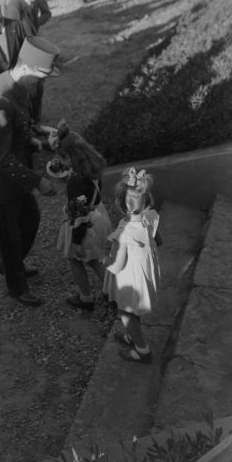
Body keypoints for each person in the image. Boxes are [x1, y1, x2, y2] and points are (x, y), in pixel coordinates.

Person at [0, 36, 60, 307]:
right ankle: (17, 286)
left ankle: (11, 264)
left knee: (30, 220)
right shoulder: (1, 98)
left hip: (16, 176)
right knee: (8, 236)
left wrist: (39, 138)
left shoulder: (20, 86)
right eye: (41, 77)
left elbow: (22, 126)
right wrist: (38, 182)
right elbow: (1, 157)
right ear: (26, 68)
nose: (42, 83)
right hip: (0, 183)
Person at [49, 121, 112, 311]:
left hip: (84, 225)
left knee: (78, 259)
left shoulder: (76, 183)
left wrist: (76, 241)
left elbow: (79, 213)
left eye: (62, 158)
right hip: (98, 215)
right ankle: (112, 291)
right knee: (95, 258)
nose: (60, 162)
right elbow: (87, 198)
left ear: (69, 157)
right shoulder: (91, 171)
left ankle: (87, 297)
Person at [103, 167, 160, 363]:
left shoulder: (125, 231)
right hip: (144, 274)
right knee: (135, 310)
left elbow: (118, 265)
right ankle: (133, 336)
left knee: (125, 312)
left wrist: (106, 263)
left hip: (130, 277)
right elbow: (157, 239)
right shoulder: (151, 216)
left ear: (121, 204)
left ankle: (142, 350)